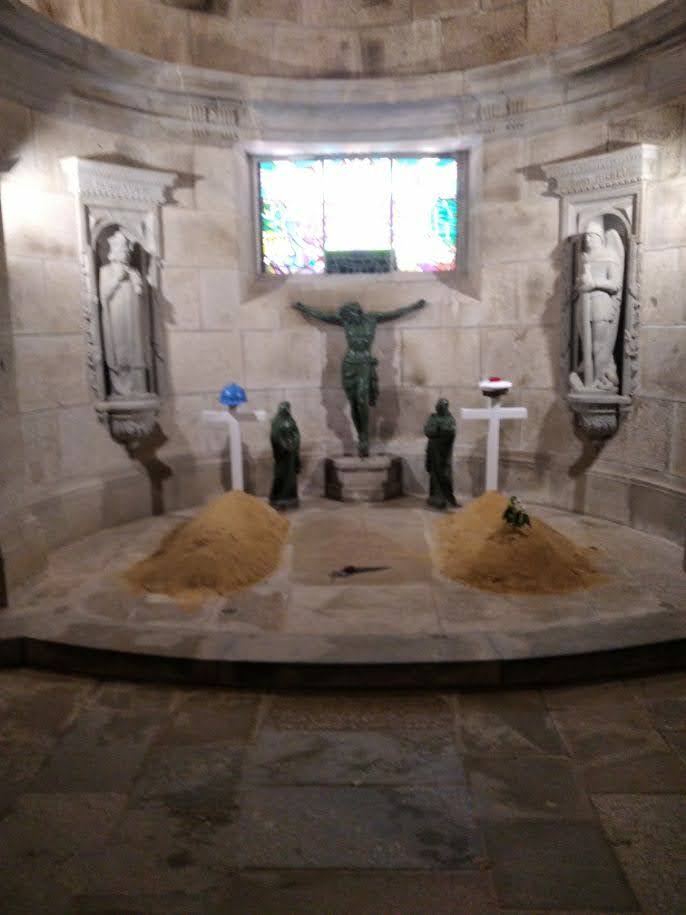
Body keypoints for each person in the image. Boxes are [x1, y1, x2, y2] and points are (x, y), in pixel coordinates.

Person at [293, 298, 426, 457]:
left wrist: (413, 307)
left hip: (364, 364)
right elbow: (324, 317)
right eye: (346, 318)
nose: (347, 320)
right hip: (349, 364)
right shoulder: (346, 322)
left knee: (361, 398)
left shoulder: (372, 319)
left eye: (349, 316)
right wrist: (304, 308)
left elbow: (394, 314)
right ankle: (358, 434)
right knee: (354, 401)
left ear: (356, 313)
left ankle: (364, 437)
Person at [570, 219, 624, 393]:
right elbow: (581, 282)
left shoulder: (610, 255)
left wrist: (594, 284)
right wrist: (580, 283)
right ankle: (598, 376)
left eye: (591, 236)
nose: (587, 240)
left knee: (598, 346)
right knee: (586, 344)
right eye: (586, 236)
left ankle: (600, 380)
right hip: (584, 303)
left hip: (601, 303)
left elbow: (615, 284)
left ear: (599, 238)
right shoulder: (584, 257)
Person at [98, 230, 150, 398]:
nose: (126, 253)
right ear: (114, 251)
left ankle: (138, 387)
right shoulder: (105, 271)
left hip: (132, 318)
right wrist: (117, 279)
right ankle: (119, 389)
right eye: (122, 249)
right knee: (119, 351)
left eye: (127, 250)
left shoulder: (134, 272)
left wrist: (137, 285)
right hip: (116, 318)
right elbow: (103, 295)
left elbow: (141, 295)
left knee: (135, 349)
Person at [424, 398, 458, 510]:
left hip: (445, 452)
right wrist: (437, 430)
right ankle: (436, 498)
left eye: (442, 406)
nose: (439, 408)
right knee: (435, 475)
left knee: (445, 475)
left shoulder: (450, 418)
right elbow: (427, 430)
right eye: (438, 405)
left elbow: (452, 431)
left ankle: (448, 498)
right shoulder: (433, 417)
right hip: (434, 451)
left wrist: (441, 431)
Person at [269, 401, 301, 510]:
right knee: (280, 476)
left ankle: (290, 498)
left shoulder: (291, 420)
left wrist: (294, 443)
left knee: (291, 478)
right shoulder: (276, 421)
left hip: (291, 456)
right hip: (282, 456)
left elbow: (296, 433)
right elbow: (274, 436)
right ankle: (278, 499)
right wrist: (284, 445)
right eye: (284, 408)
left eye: (287, 408)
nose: (286, 410)